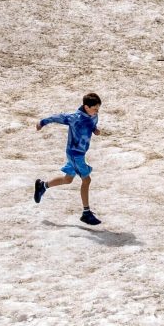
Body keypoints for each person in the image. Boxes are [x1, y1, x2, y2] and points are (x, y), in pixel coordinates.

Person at [33, 92, 107, 226]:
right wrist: (42, 122)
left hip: (80, 154)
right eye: (95, 108)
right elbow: (57, 117)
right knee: (87, 179)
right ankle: (86, 213)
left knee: (67, 179)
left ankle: (42, 185)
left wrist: (95, 129)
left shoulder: (94, 115)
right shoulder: (75, 118)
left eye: (98, 108)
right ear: (86, 107)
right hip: (74, 154)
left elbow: (91, 124)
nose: (97, 111)